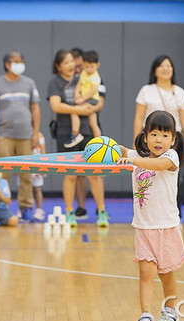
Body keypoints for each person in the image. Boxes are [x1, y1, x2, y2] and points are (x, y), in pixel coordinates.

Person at [117, 110, 184, 321]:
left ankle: (170, 310)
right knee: (145, 274)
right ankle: (145, 315)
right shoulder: (137, 157)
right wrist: (102, 147)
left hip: (166, 227)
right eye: (154, 134)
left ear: (173, 140)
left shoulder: (171, 158)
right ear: (145, 136)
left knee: (166, 273)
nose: (159, 139)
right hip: (143, 228)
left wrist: (131, 158)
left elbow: (157, 166)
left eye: (165, 135)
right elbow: (116, 150)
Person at [47, 49, 109, 227]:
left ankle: (102, 211)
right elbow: (56, 106)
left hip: (89, 131)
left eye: (71, 61)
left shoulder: (88, 76)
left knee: (95, 173)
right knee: (70, 175)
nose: (70, 65)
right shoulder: (55, 83)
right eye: (65, 62)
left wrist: (90, 109)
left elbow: (100, 102)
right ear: (58, 66)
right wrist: (78, 110)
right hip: (66, 132)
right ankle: (69, 212)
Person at [133, 55, 184, 220]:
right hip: (152, 141)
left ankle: (174, 215)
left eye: (169, 66)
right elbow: (139, 118)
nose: (166, 69)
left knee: (171, 178)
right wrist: (136, 143)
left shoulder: (179, 92)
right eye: (162, 66)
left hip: (172, 142)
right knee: (152, 176)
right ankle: (151, 215)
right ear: (155, 70)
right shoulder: (146, 91)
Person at [0, 50, 41, 222]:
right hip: (4, 135)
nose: (19, 64)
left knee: (27, 173)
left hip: (26, 135)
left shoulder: (29, 83)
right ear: (7, 64)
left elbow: (35, 109)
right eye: (15, 61)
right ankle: (1, 208)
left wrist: (35, 134)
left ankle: (26, 208)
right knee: (2, 174)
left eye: (21, 61)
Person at [66, 50, 102, 147]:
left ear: (97, 65)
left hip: (92, 100)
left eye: (91, 67)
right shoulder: (84, 73)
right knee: (93, 121)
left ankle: (75, 133)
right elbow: (79, 84)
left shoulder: (95, 77)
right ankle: (98, 140)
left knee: (74, 111)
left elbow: (92, 91)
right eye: (86, 66)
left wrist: (82, 99)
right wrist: (76, 94)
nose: (89, 69)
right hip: (85, 99)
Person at [32, 132, 46, 221]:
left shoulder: (40, 135)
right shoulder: (22, 134)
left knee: (37, 189)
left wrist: (43, 166)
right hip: (25, 163)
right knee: (25, 188)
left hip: (36, 164)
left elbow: (43, 152)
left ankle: (39, 209)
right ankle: (24, 208)